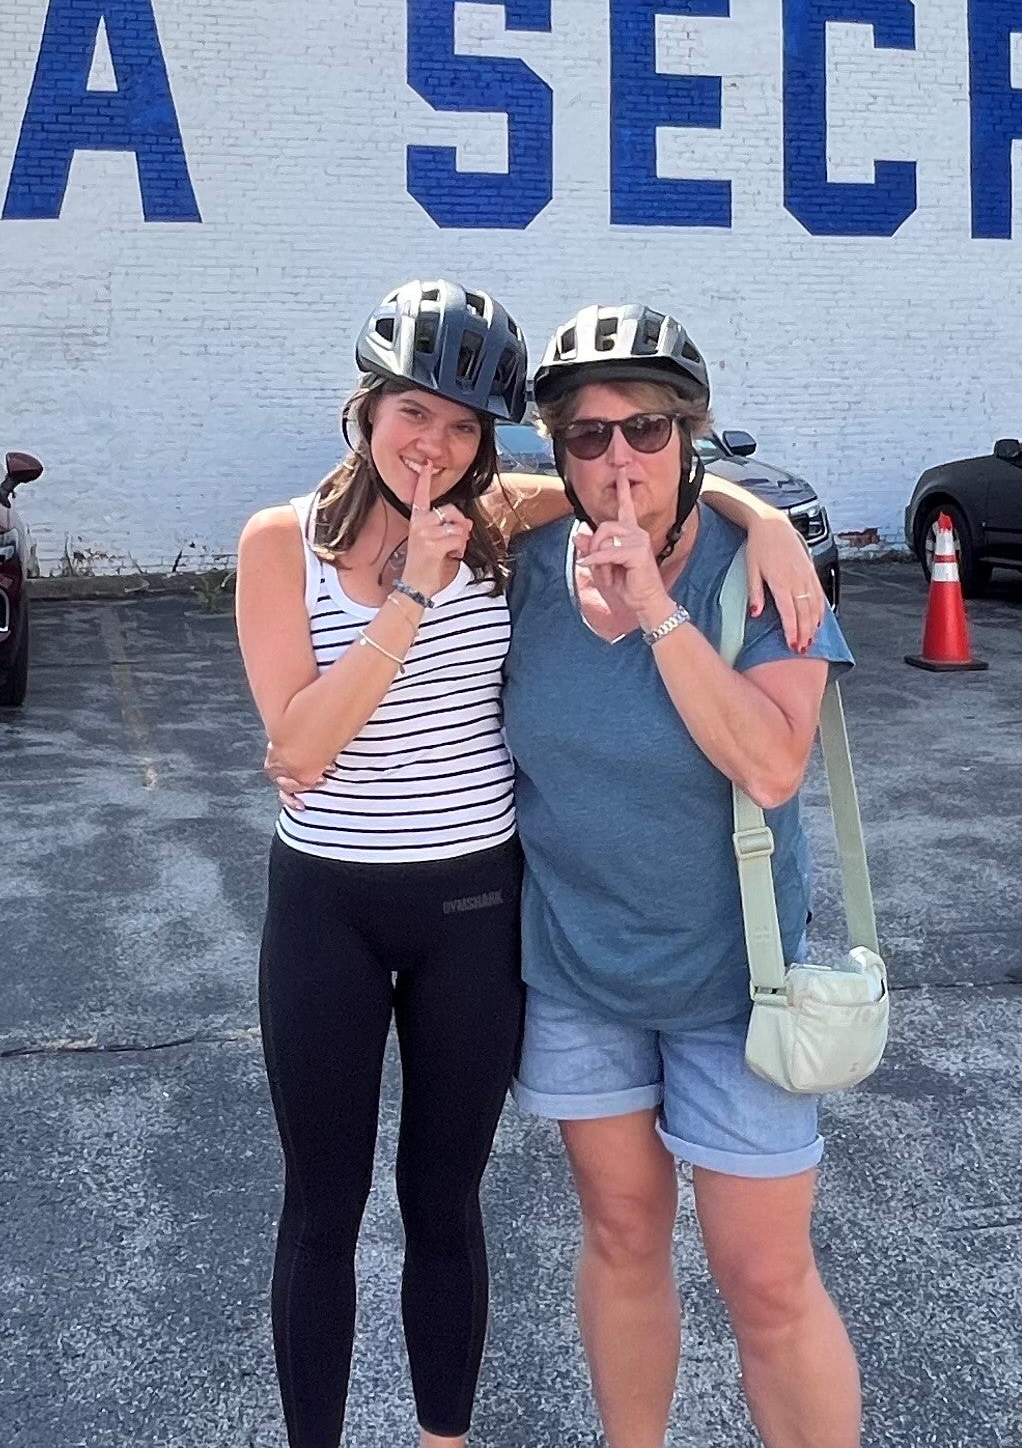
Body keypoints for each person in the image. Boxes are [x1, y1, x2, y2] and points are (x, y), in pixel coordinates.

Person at [235, 278, 824, 1448]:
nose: (435, 445)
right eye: (413, 413)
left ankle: (442, 1440)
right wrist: (409, 596)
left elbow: (641, 481)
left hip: (477, 908)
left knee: (447, 1204)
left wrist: (763, 521)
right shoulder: (293, 541)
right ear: (363, 411)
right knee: (325, 1207)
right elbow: (296, 749)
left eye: (462, 427)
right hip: (332, 906)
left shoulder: (503, 521)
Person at [503, 303, 861, 1448]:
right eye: (590, 435)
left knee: (763, 1280)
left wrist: (664, 604)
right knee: (618, 1234)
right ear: (555, 453)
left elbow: (771, 760)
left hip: (735, 984)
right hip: (578, 972)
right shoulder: (519, 563)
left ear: (692, 437)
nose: (621, 459)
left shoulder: (762, 577)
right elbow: (399, 482)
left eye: (648, 430)